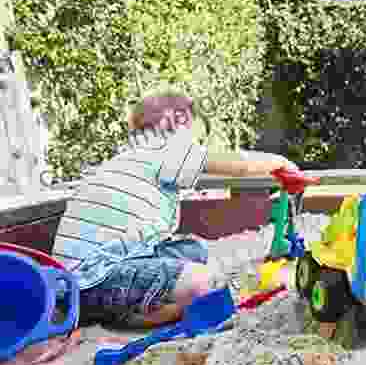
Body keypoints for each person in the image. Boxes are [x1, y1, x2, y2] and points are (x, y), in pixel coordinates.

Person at [51, 87, 298, 329]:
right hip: (95, 281)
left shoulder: (131, 158)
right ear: (175, 123)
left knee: (194, 250)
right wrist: (280, 163)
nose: (195, 145)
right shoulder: (163, 150)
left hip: (80, 282)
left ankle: (133, 309)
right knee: (204, 283)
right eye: (193, 135)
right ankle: (140, 316)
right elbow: (238, 165)